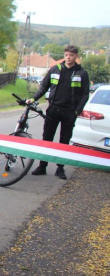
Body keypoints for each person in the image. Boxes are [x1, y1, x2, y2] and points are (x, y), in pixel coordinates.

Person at [28, 45, 89, 180]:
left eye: (71, 55)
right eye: (66, 55)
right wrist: (33, 99)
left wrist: (76, 112)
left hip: (69, 112)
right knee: (47, 139)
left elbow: (85, 95)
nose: (68, 57)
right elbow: (44, 86)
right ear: (64, 55)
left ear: (76, 56)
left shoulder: (82, 73)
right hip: (53, 109)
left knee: (64, 142)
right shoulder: (55, 69)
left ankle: (60, 168)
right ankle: (42, 166)